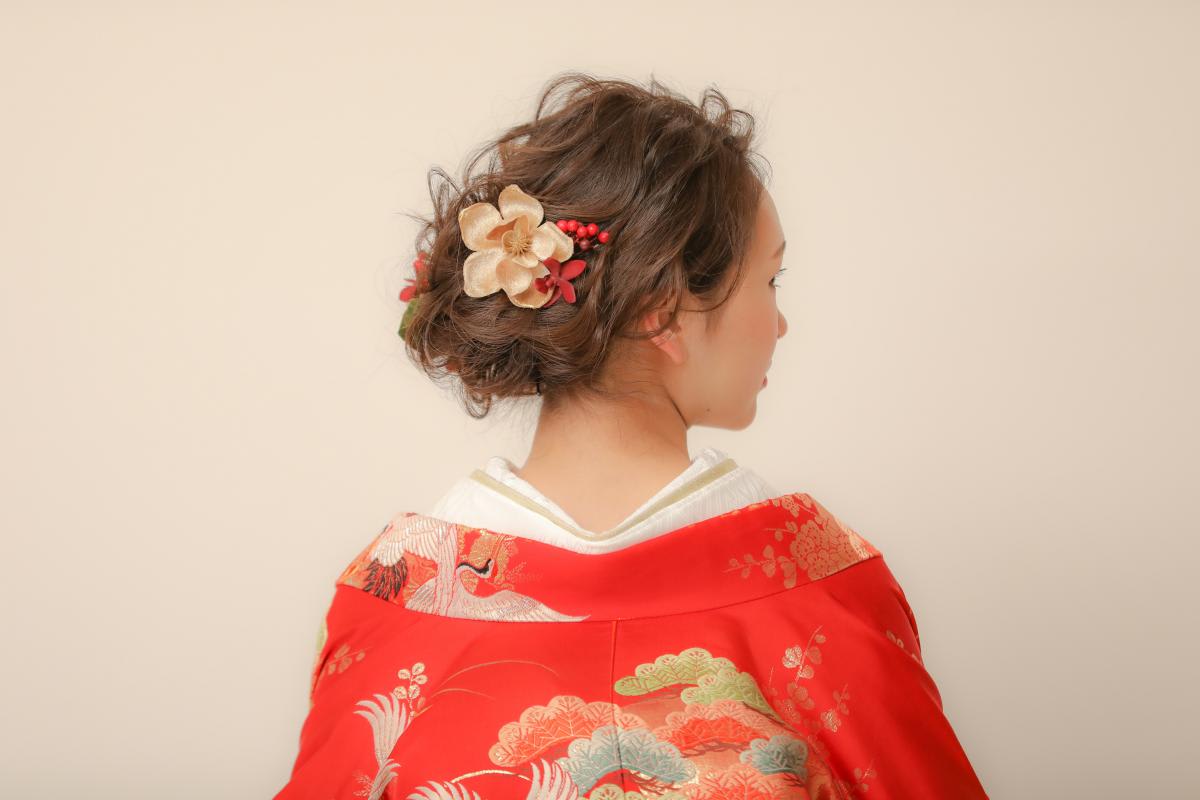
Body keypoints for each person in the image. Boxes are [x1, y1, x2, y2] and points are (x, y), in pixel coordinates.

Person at [274, 72, 988, 800]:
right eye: (770, 281)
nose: (780, 324)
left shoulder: (394, 606)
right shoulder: (822, 594)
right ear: (663, 310)